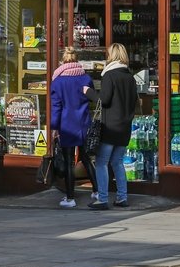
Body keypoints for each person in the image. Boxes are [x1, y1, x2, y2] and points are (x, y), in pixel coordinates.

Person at [85, 43, 139, 210]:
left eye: (108, 54)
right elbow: (134, 102)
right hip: (124, 128)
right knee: (118, 162)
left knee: (101, 162)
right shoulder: (130, 77)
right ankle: (122, 197)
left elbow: (105, 99)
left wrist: (88, 92)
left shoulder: (109, 75)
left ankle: (102, 199)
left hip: (110, 127)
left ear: (112, 56)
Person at [50, 46, 98, 208]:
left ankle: (70, 198)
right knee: (86, 158)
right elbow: (92, 98)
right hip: (83, 122)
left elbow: (56, 107)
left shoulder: (58, 81)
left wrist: (54, 127)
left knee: (69, 161)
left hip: (66, 124)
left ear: (63, 61)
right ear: (77, 60)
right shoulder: (85, 78)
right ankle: (96, 191)